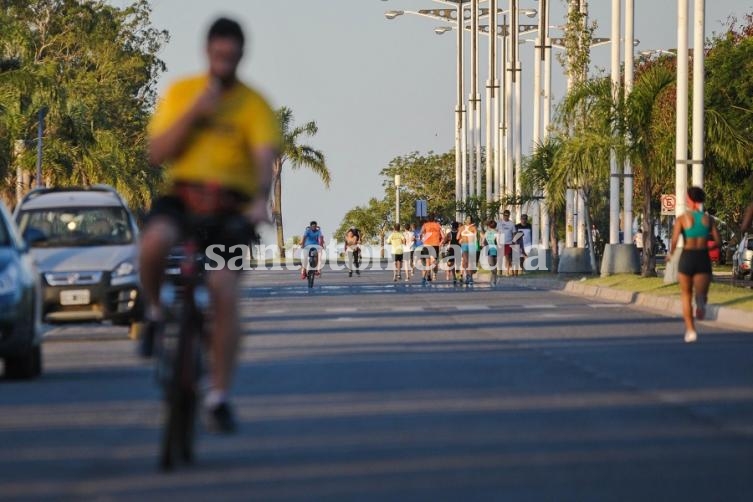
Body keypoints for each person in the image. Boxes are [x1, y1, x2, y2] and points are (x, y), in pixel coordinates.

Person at [138, 18, 279, 432]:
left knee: (222, 290)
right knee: (152, 244)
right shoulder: (182, 93)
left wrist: (258, 201)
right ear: (207, 53)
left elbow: (263, 157)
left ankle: (218, 396)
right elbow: (157, 153)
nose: (225, 64)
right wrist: (196, 112)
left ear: (241, 56)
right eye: (219, 56)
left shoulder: (255, 105)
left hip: (230, 211)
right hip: (183, 199)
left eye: (232, 58)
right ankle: (155, 311)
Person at [669, 186, 721, 343]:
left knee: (685, 294)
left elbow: (674, 240)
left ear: (689, 200)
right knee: (701, 295)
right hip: (702, 258)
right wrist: (707, 246)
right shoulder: (708, 219)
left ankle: (690, 330)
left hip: (687, 257)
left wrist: (670, 254)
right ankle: (700, 304)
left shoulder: (682, 219)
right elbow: (718, 242)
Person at [420, 215, 444, 285]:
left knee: (427, 263)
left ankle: (427, 276)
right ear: (434, 219)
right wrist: (440, 243)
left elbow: (421, 234)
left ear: (428, 219)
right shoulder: (438, 225)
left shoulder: (425, 225)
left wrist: (423, 240)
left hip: (426, 245)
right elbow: (443, 236)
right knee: (433, 261)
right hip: (435, 245)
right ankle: (432, 273)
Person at [459, 216, 478, 285]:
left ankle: (470, 277)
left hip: (471, 245)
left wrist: (476, 246)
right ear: (465, 220)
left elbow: (476, 237)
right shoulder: (462, 228)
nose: (468, 220)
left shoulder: (473, 227)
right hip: (464, 245)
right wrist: (461, 239)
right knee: (466, 261)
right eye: (467, 219)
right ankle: (468, 276)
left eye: (470, 219)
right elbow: (457, 237)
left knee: (470, 262)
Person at [497, 209, 515, 276]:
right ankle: (500, 271)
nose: (506, 217)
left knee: (507, 257)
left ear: (509, 215)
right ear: (503, 215)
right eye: (505, 215)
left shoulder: (511, 223)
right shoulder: (499, 223)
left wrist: (513, 241)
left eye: (507, 215)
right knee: (500, 258)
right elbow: (497, 232)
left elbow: (514, 233)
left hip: (508, 242)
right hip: (501, 243)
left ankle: (507, 271)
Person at [483, 220, 500, 286]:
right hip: (494, 249)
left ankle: (494, 279)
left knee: (492, 265)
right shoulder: (496, 233)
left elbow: (483, 242)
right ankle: (494, 278)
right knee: (493, 265)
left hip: (490, 249)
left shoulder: (487, 232)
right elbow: (498, 243)